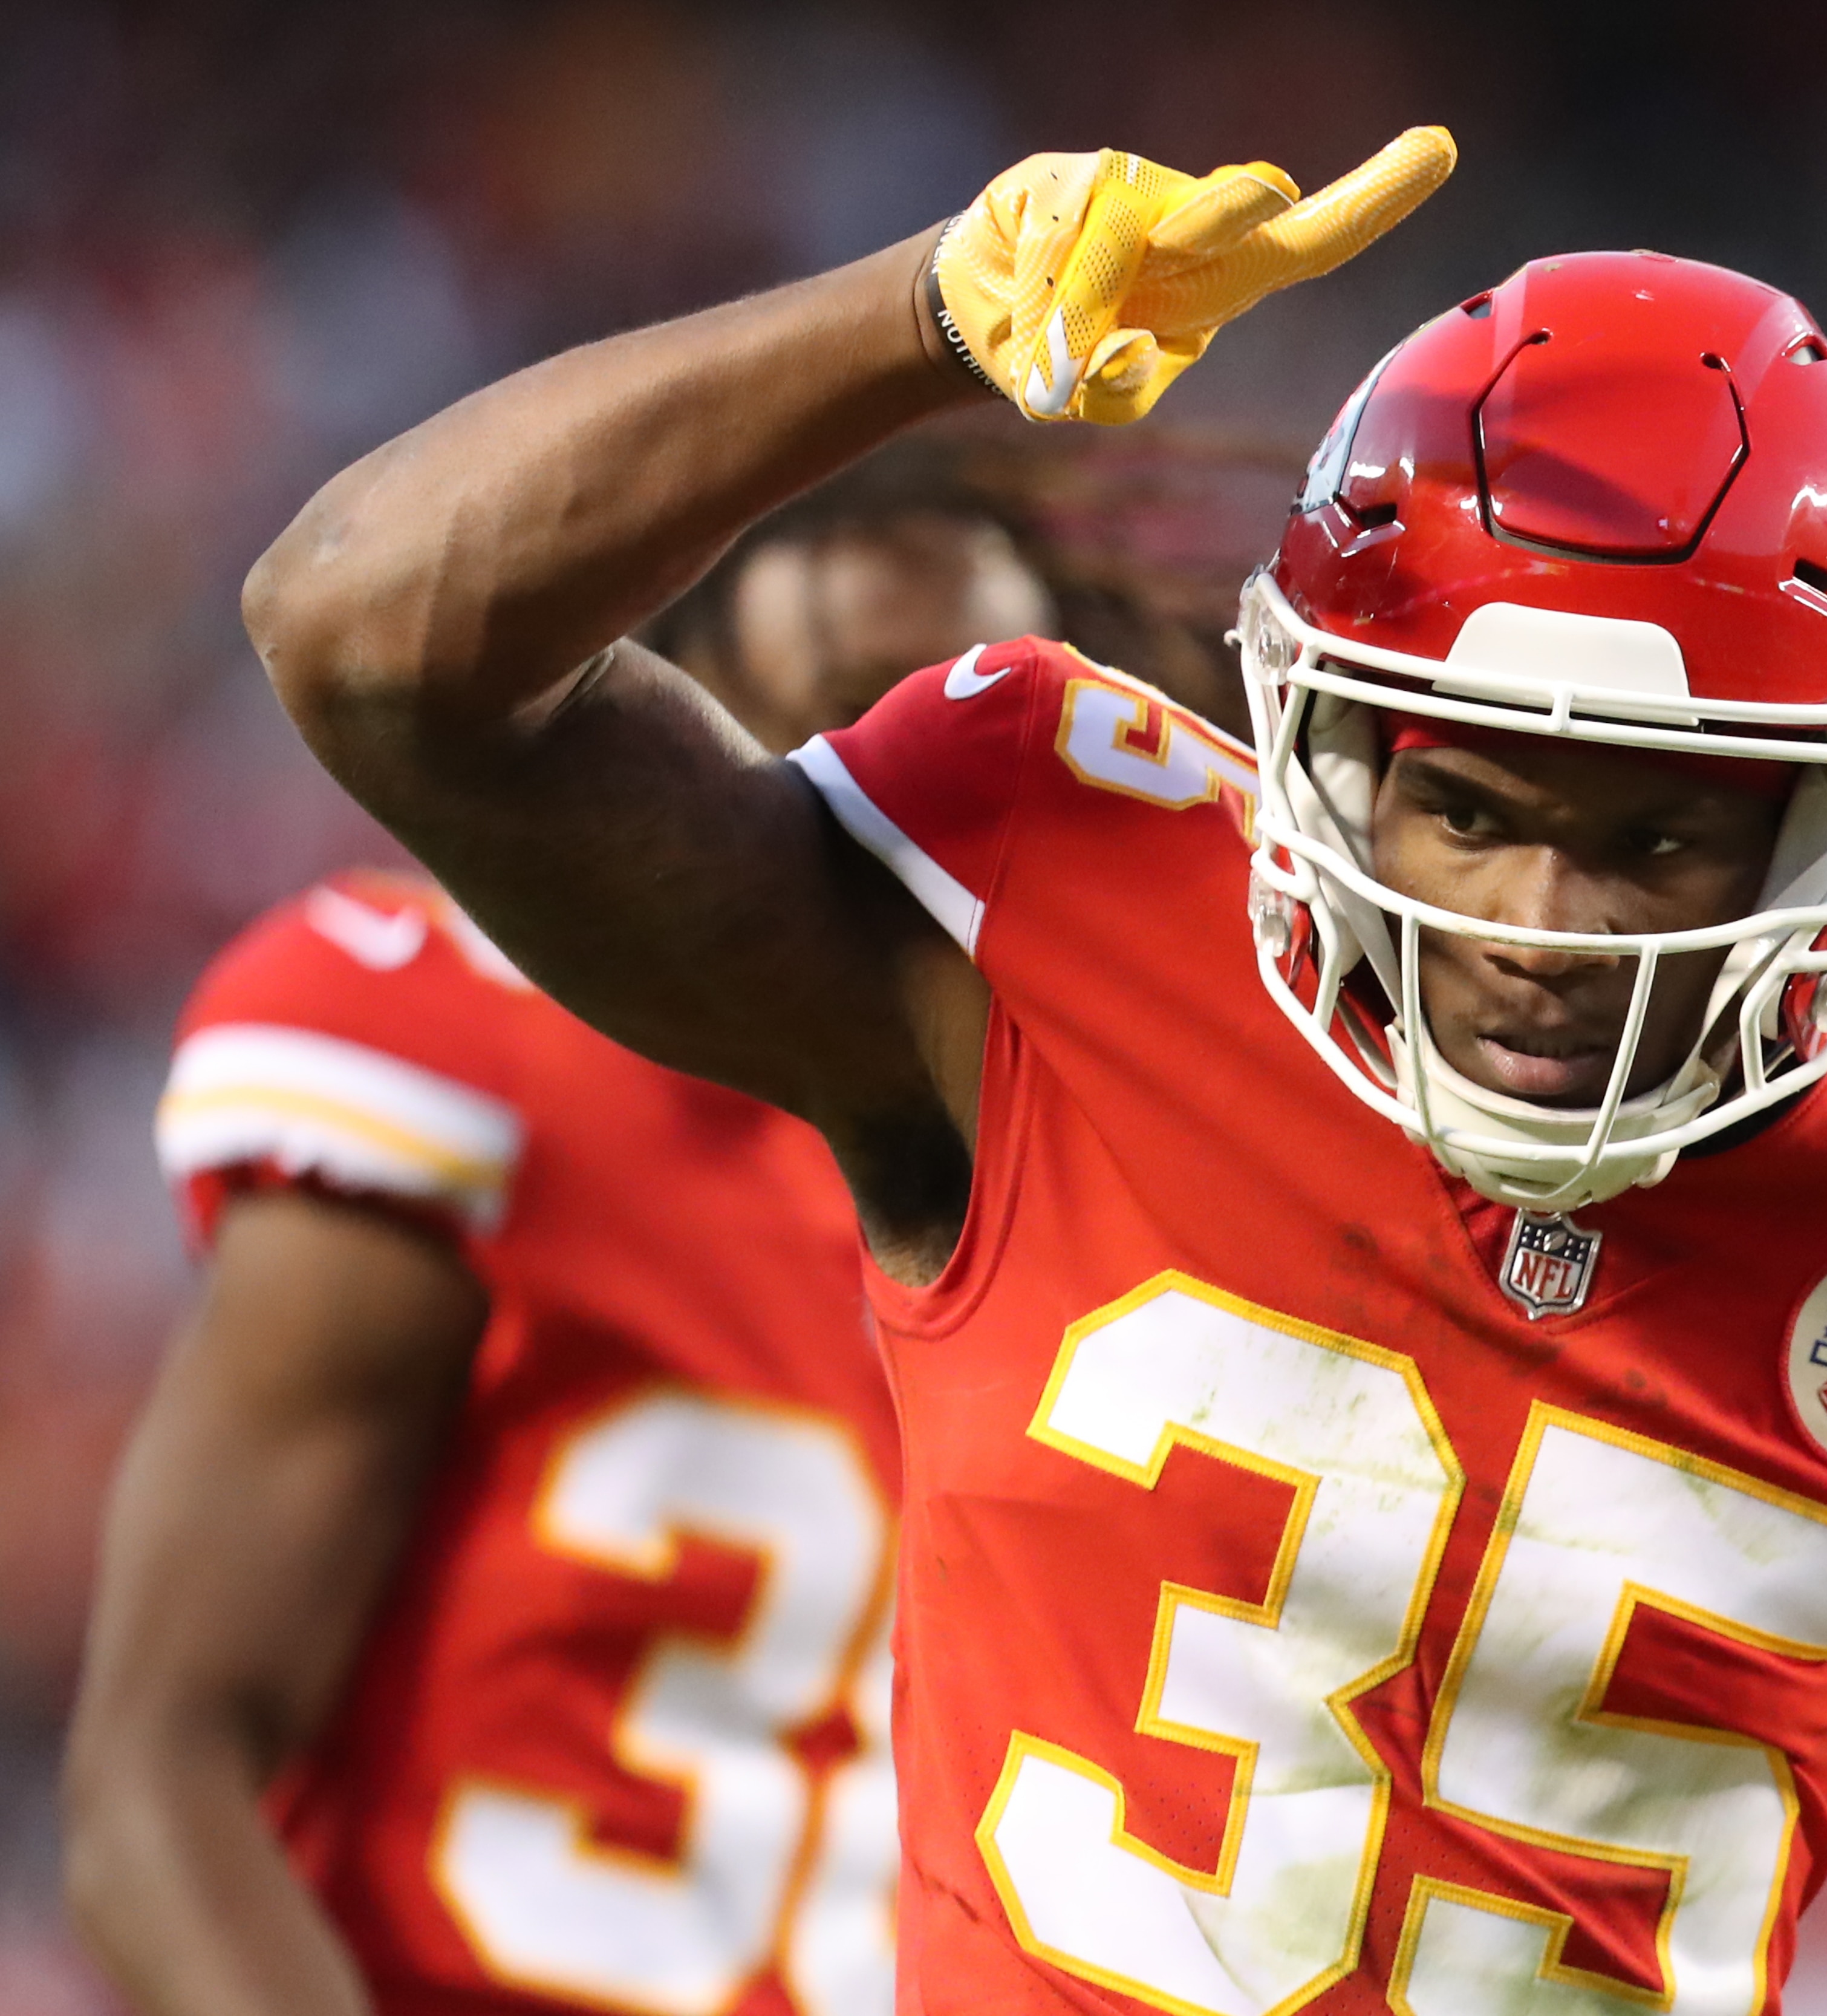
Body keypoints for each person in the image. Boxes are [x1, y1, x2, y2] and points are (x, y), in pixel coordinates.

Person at [215, 125, 1827, 2014]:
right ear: (1324, 756)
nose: (1539, 936)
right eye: (1466, 808)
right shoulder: (1036, 957)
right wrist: (929, 311)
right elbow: (375, 640)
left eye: (1659, 832)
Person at [57, 436, 1194, 2016]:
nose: (888, 825)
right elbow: (156, 1787)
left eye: (958, 750)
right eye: (831, 730)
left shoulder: (1146, 1199)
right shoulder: (474, 1056)